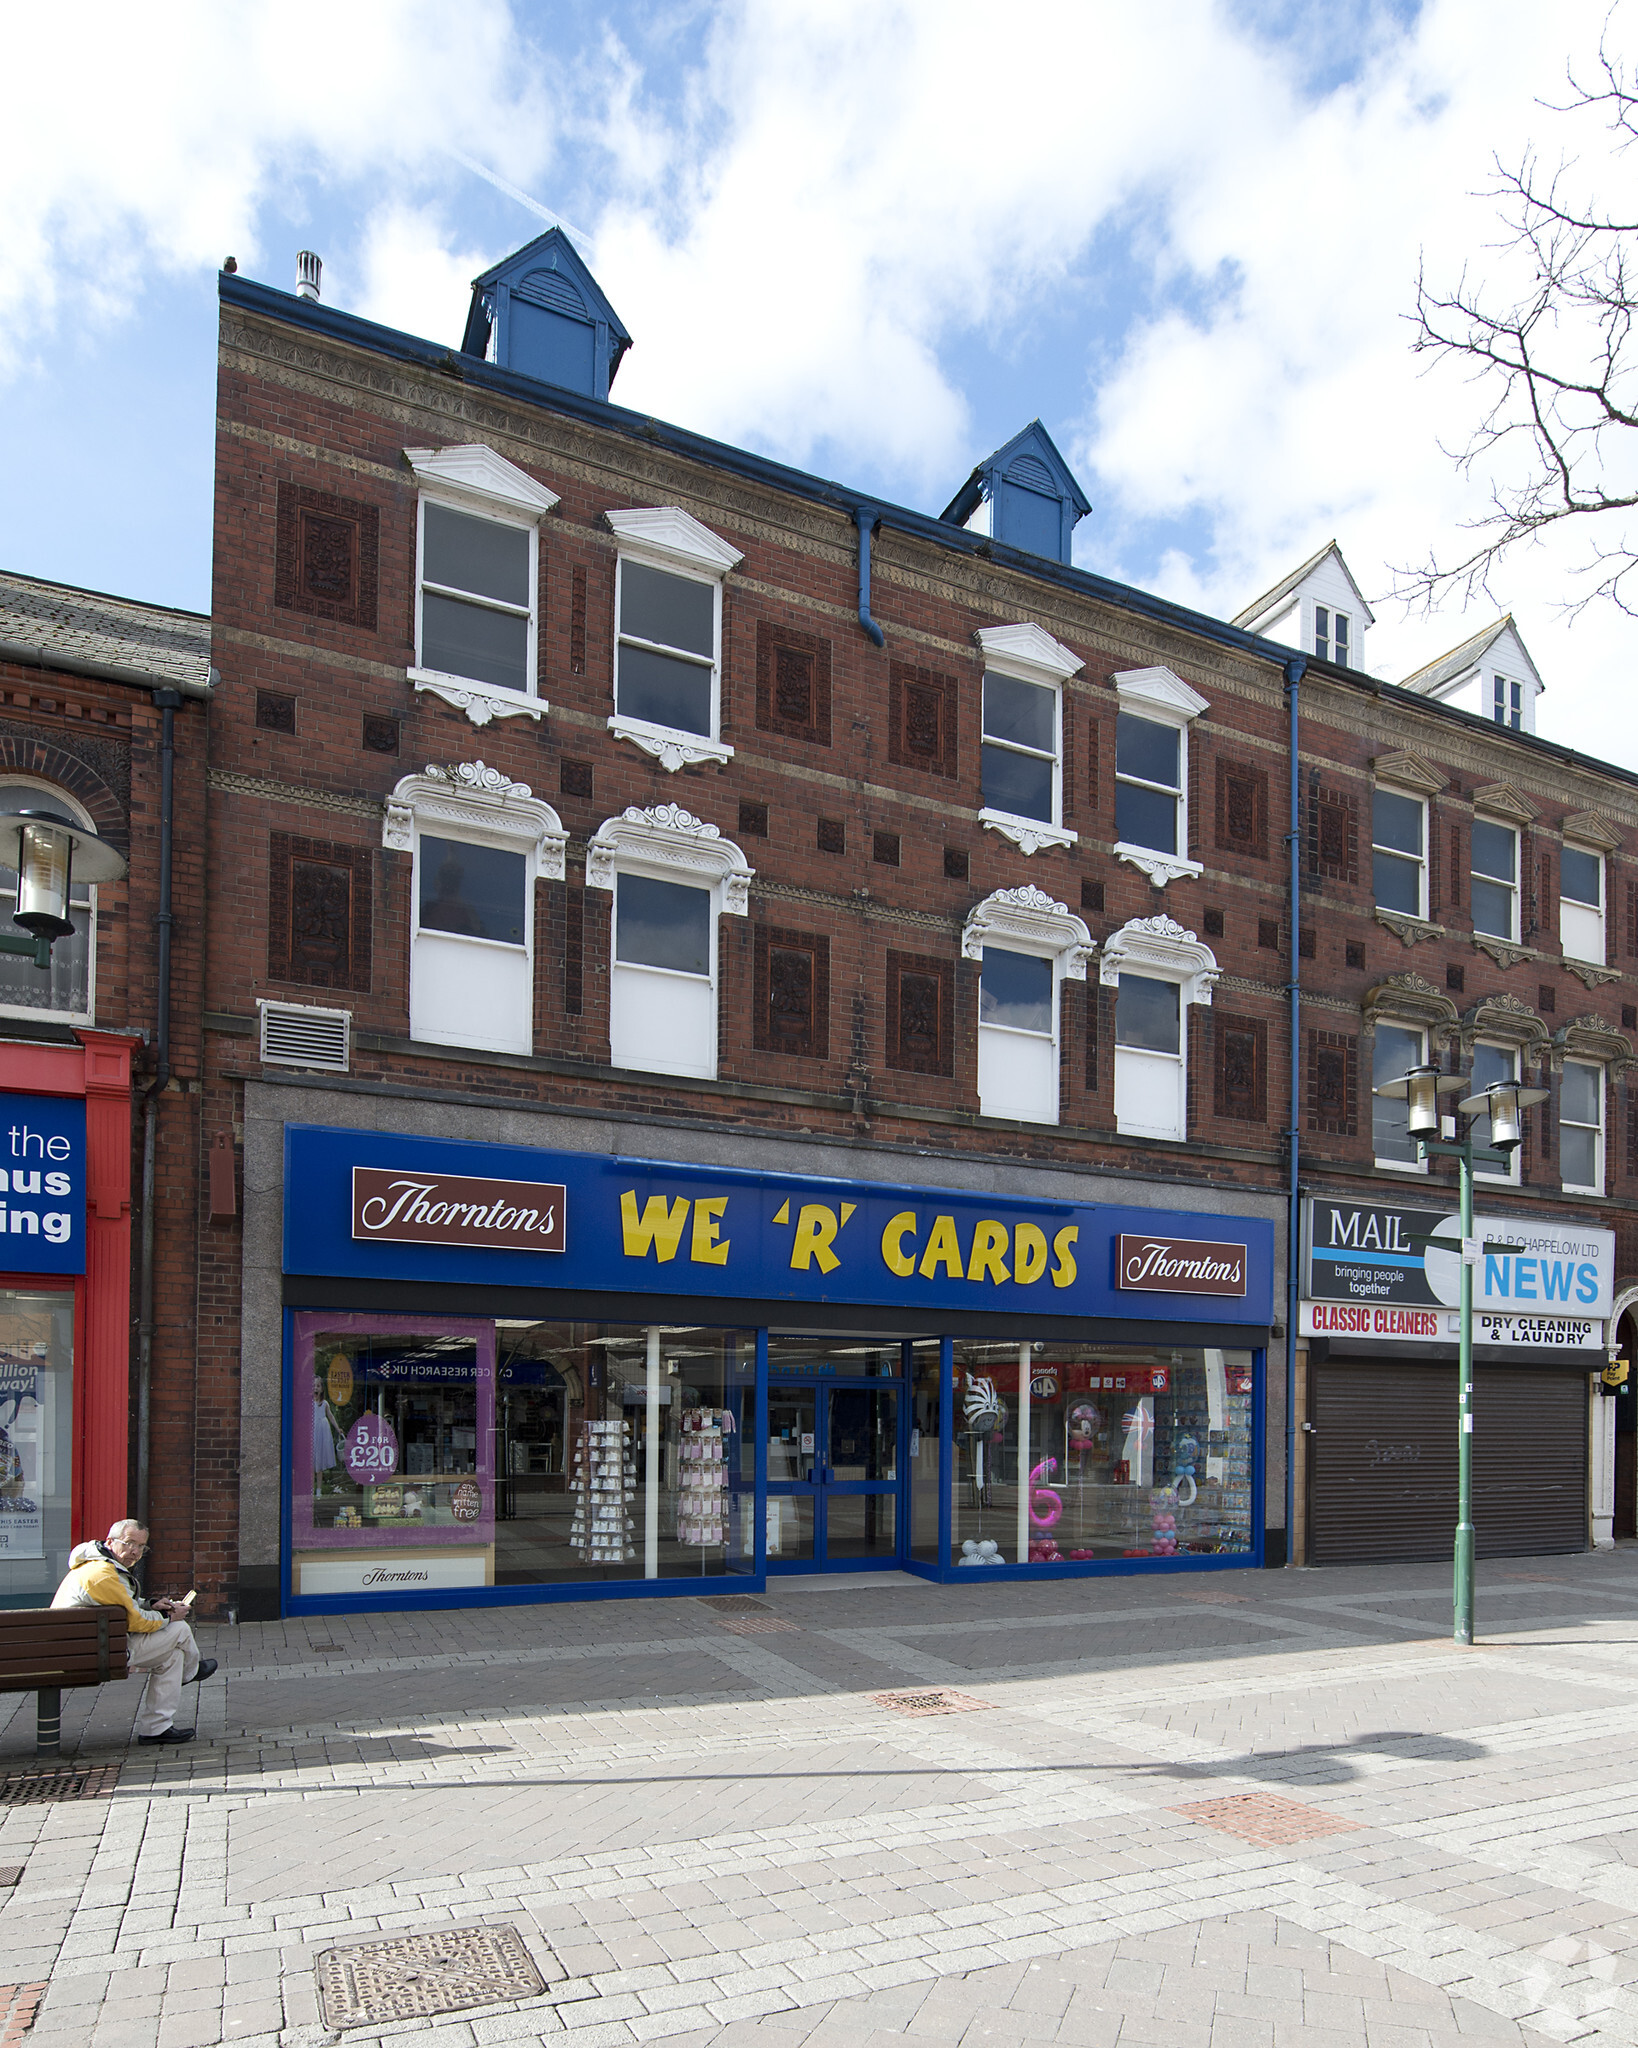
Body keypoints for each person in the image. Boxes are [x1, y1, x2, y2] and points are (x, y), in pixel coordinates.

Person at [51, 1519, 218, 1745]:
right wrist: (169, 1617)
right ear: (110, 1541)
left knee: (173, 1656)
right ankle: (192, 1671)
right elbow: (136, 1622)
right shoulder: (102, 1574)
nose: (135, 1552)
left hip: (86, 1647)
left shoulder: (98, 1565)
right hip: (92, 1654)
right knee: (179, 1629)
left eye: (141, 1547)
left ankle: (156, 1729)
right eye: (129, 1543)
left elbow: (123, 1602)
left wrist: (151, 1604)